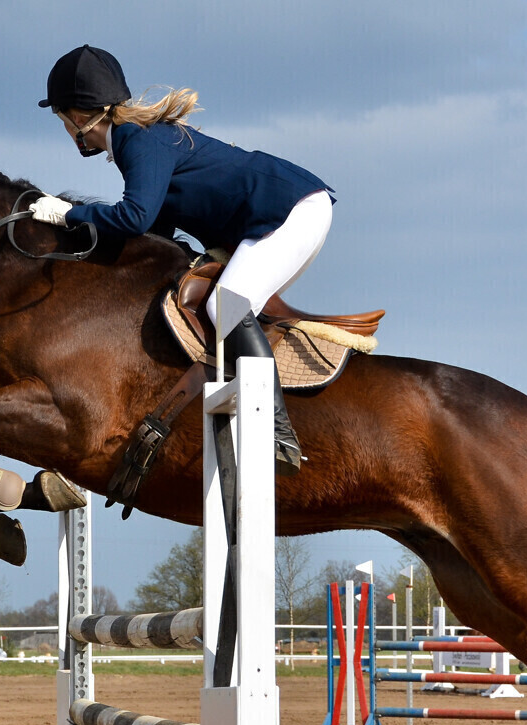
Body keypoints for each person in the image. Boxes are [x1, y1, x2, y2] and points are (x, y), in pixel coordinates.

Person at [32, 45, 335, 475]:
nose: (66, 130)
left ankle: (277, 431)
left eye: (62, 121)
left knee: (225, 303)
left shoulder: (140, 139)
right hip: (280, 213)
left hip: (290, 210)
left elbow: (135, 217)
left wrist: (69, 214)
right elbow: (157, 234)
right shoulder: (136, 143)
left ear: (79, 117)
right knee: (221, 302)